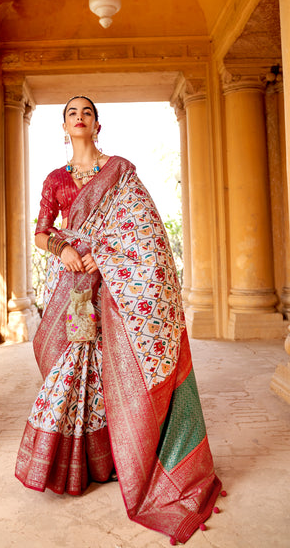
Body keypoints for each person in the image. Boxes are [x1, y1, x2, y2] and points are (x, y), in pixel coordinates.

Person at [15, 96, 222, 544]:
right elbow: (41, 232)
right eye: (72, 113)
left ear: (98, 124)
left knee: (116, 369)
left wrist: (104, 257)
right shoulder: (55, 179)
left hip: (116, 287)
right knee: (74, 369)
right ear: (64, 126)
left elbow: (145, 229)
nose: (79, 117)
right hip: (72, 288)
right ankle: (79, 465)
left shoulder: (121, 173)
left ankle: (122, 460)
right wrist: (64, 250)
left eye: (86, 112)